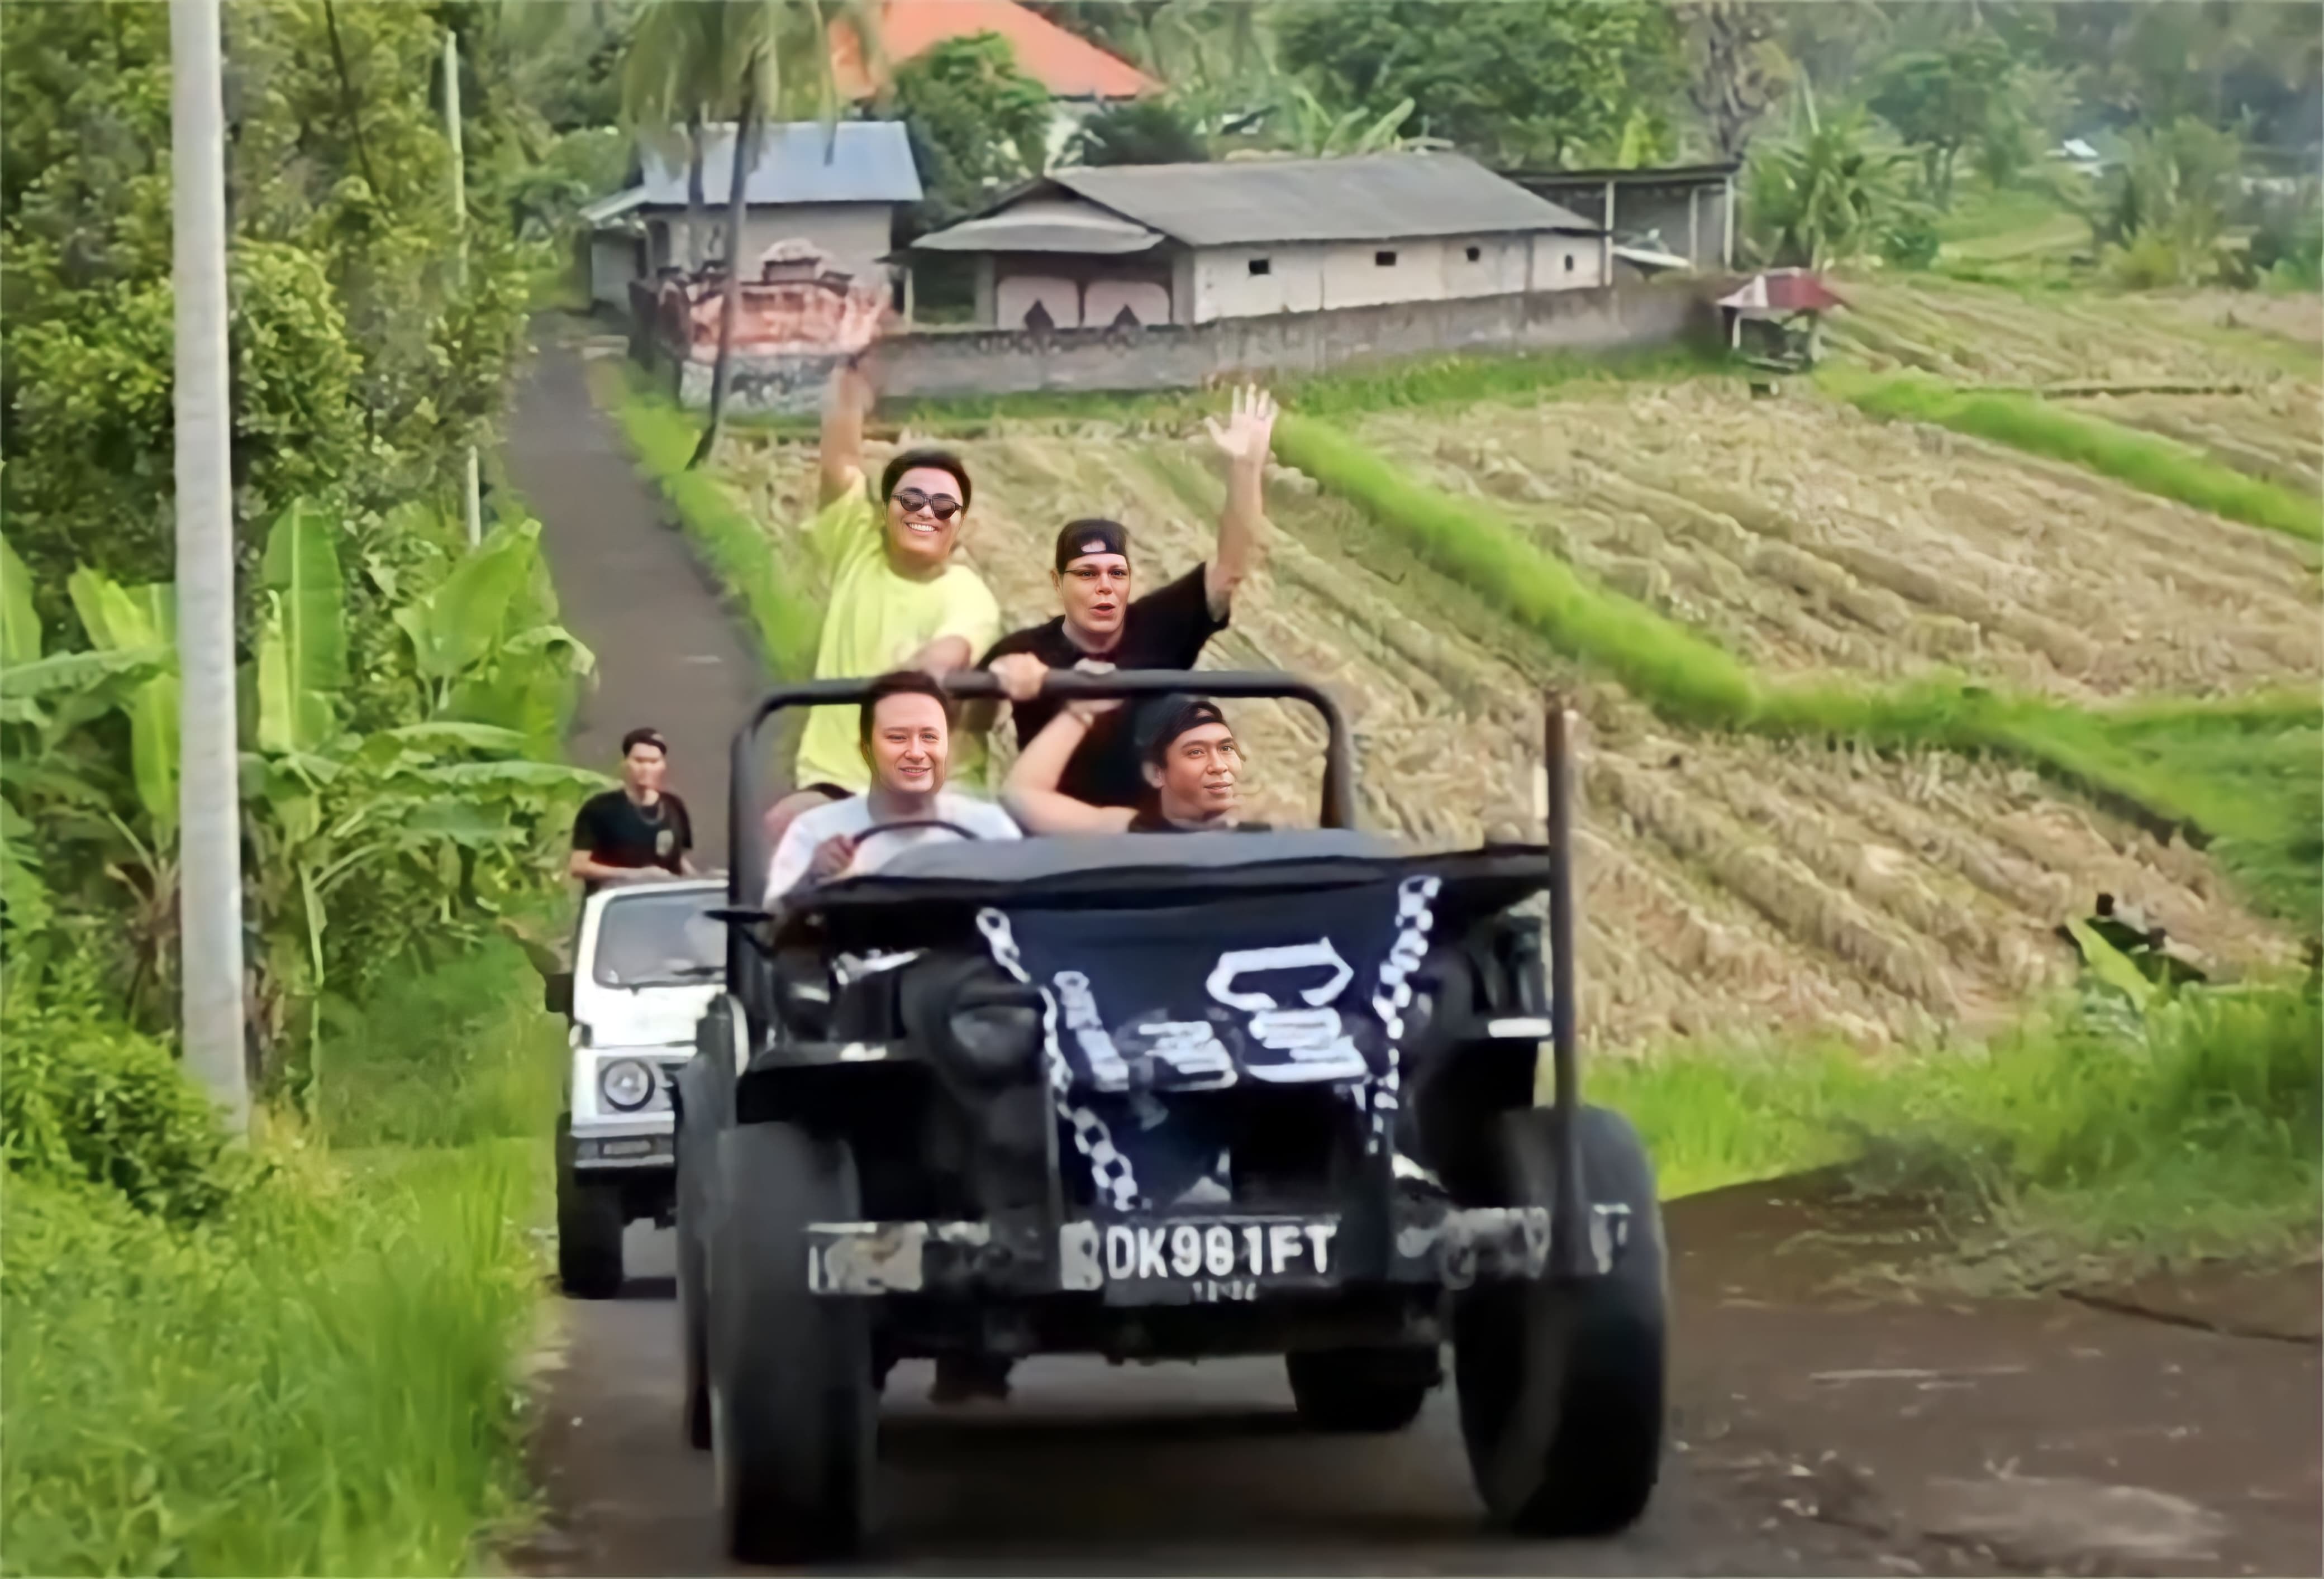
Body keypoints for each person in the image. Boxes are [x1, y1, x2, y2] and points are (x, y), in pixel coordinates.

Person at [977, 385, 1278, 808]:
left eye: (1117, 573)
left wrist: (1246, 467)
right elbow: (968, 723)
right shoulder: (1026, 651)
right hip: (1057, 834)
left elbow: (1230, 569)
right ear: (1057, 582)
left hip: (1154, 831)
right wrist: (999, 678)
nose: (1105, 585)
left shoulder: (1159, 625)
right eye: (1087, 574)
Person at [763, 359, 1004, 848]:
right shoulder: (857, 547)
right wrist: (851, 383)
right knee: (781, 829)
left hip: (934, 783)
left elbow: (949, 652)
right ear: (884, 510)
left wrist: (921, 673)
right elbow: (839, 463)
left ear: (962, 527)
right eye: (911, 500)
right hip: (838, 779)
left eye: (943, 508)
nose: (925, 514)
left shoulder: (967, 593)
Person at [763, 670, 1020, 907]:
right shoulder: (815, 831)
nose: (917, 753)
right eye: (898, 738)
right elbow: (770, 931)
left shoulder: (990, 829)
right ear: (866, 751)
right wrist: (812, 878)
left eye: (930, 737)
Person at [1002, 688, 1263, 836]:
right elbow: (1021, 796)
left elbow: (1021, 794)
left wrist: (1078, 712)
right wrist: (1078, 713)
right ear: (1156, 774)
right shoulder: (1139, 835)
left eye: (1225, 748)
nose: (1219, 765)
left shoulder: (1264, 841)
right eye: (1195, 752)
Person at [570, 728, 697, 893]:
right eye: (639, 761)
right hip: (616, 903)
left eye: (653, 762)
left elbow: (678, 860)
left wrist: (700, 879)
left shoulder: (674, 806)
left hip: (664, 904)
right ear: (625, 763)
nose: (646, 769)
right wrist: (635, 875)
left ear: (663, 765)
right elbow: (578, 866)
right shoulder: (599, 809)